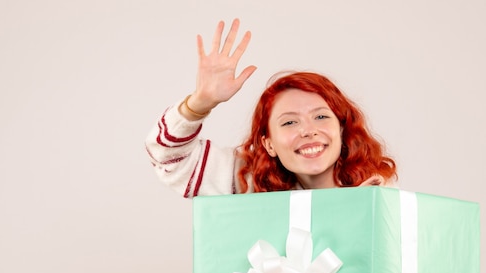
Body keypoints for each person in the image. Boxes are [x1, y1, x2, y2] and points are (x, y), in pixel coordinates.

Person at [146, 19, 397, 197]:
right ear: (269, 144)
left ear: (341, 129)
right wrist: (200, 104)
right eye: (289, 122)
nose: (308, 131)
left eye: (320, 116)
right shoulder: (250, 184)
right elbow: (169, 159)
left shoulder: (378, 197)